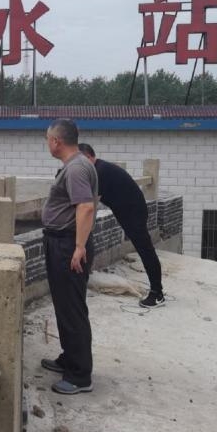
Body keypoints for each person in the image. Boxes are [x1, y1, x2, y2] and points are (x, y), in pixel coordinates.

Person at [40, 119, 97, 395]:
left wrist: (79, 247)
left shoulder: (75, 168)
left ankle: (79, 376)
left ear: (57, 141)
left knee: (72, 309)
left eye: (48, 139)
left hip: (67, 246)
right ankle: (70, 358)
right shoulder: (79, 164)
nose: (47, 143)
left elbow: (85, 207)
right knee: (66, 306)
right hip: (63, 243)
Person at [77, 143, 165, 308]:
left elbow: (91, 205)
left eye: (79, 161)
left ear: (88, 157)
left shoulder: (99, 172)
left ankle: (157, 293)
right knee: (145, 250)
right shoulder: (100, 168)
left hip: (133, 212)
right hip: (131, 210)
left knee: (146, 251)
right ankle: (156, 290)